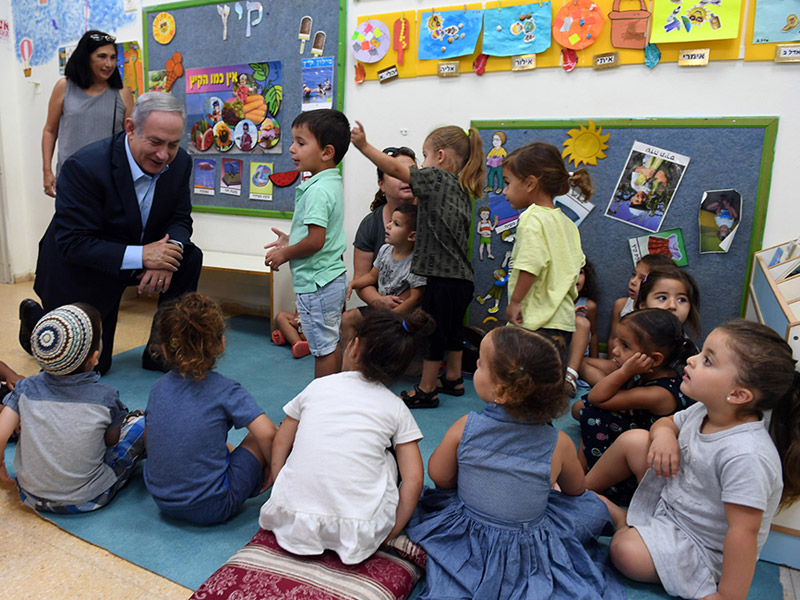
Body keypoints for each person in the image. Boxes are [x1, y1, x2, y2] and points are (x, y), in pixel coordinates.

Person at [405, 327, 625, 599]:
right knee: (590, 506)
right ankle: (622, 520)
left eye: (481, 364)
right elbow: (576, 490)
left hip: (465, 535)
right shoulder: (559, 442)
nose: (475, 365)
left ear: (501, 391)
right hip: (528, 544)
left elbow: (440, 476)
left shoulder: (466, 426)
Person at [586, 320, 800, 599]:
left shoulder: (747, 455)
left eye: (708, 360)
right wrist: (664, 437)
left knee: (624, 551)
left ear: (737, 395)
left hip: (697, 548)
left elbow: (743, 534)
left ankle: (626, 522)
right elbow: (666, 423)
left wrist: (728, 595)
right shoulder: (705, 410)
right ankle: (581, 489)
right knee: (635, 440)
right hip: (673, 505)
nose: (691, 359)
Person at [20, 92, 203, 375]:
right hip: (81, 266)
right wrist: (144, 255)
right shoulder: (84, 167)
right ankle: (37, 321)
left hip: (134, 253)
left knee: (189, 257)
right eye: (155, 142)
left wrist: (168, 255)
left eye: (173, 144)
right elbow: (73, 244)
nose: (163, 155)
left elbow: (180, 218)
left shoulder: (179, 163)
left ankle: (161, 348)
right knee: (94, 367)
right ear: (130, 128)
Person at [259, 309, 433, 564]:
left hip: (288, 514)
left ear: (355, 348)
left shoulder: (317, 386)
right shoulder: (396, 407)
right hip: (358, 532)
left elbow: (282, 439)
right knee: (390, 456)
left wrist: (279, 481)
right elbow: (414, 479)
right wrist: (392, 530)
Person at [351, 122, 485, 409]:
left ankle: (426, 389)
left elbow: (398, 170)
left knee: (436, 331)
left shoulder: (436, 178)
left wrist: (364, 146)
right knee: (453, 331)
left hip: (442, 276)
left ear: (440, 156)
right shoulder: (463, 188)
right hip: (463, 279)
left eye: (424, 156)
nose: (421, 165)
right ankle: (453, 378)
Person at [144, 293, 277, 525]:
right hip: (213, 507)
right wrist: (275, 473)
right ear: (221, 344)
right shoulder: (226, 390)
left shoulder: (157, 388)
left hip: (162, 500)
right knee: (264, 435)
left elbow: (155, 438)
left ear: (164, 351)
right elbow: (267, 434)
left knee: (187, 427)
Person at [0, 304, 146, 513]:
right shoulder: (106, 396)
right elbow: (111, 440)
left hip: (30, 495)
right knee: (139, 427)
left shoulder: (25, 389)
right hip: (87, 498)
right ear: (94, 357)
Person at [264, 109, 350, 379]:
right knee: (330, 342)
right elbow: (320, 235)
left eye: (301, 143)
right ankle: (332, 396)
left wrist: (285, 253)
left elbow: (315, 240)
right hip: (330, 277)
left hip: (317, 283)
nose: (291, 149)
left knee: (322, 350)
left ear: (326, 152)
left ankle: (321, 405)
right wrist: (292, 240)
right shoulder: (331, 182)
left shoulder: (318, 190)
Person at [573, 309, 695, 478]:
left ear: (655, 359)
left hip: (644, 452)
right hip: (636, 423)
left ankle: (583, 476)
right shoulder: (649, 371)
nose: (615, 350)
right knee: (579, 407)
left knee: (592, 414)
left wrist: (624, 372)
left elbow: (595, 398)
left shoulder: (659, 393)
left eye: (625, 346)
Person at [502, 142, 592, 358]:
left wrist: (515, 302)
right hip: (563, 323)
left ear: (530, 183)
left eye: (507, 182)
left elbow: (530, 265)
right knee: (547, 385)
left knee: (521, 384)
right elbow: (576, 267)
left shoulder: (532, 217)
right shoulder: (568, 223)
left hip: (534, 322)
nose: (504, 191)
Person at [42, 30, 134, 198]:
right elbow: (50, 130)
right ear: (86, 57)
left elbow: (132, 138)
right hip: (71, 181)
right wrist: (47, 171)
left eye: (113, 57)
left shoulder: (122, 93)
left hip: (109, 183)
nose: (109, 64)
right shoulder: (64, 87)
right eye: (102, 56)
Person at [579, 256, 686, 386]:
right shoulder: (621, 305)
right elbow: (613, 339)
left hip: (643, 368)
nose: (633, 281)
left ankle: (614, 394)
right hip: (620, 362)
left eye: (642, 278)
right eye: (633, 275)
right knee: (580, 363)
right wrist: (613, 363)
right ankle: (610, 388)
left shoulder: (665, 320)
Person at [343, 203, 426, 344]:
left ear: (412, 236)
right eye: (390, 221)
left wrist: (390, 317)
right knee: (346, 319)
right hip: (382, 311)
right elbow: (371, 276)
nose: (388, 226)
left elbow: (415, 298)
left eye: (396, 224)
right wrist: (353, 283)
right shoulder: (385, 250)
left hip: (403, 315)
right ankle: (353, 363)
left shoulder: (416, 261)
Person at [352, 146, 417, 309]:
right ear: (381, 184)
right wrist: (379, 301)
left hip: (421, 309)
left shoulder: (432, 217)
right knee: (347, 320)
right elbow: (363, 278)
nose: (406, 178)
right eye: (397, 173)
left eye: (411, 172)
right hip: (382, 308)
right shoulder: (371, 224)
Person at [565, 260, 600, 396]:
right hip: (559, 356)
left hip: (580, 359)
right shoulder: (555, 304)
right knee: (581, 322)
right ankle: (570, 376)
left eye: (580, 272)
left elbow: (594, 335)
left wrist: (595, 360)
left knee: (611, 368)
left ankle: (620, 396)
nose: (576, 277)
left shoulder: (589, 305)